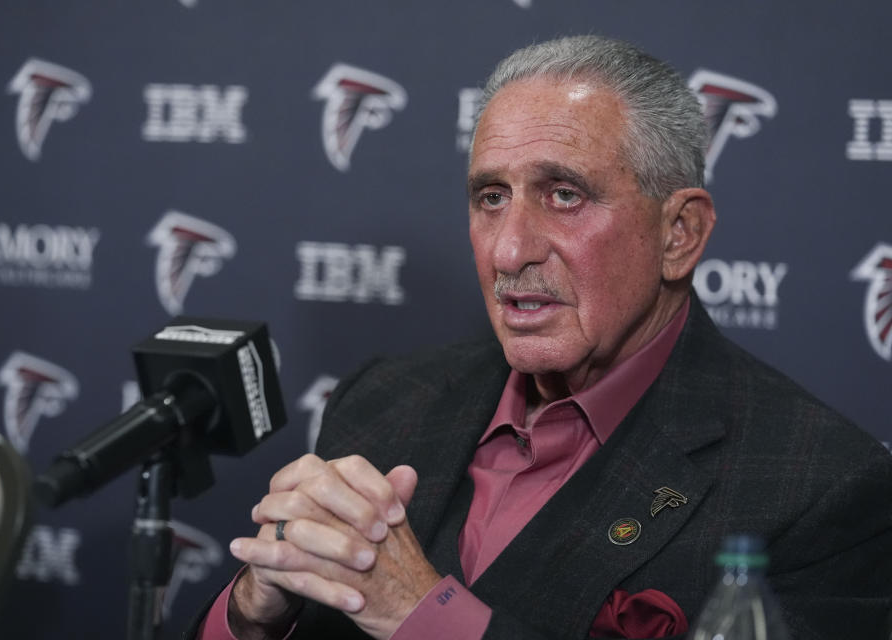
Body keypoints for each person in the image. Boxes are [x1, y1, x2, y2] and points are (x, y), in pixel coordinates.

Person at [192, 35, 892, 639]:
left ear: (678, 234)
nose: (509, 250)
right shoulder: (381, 402)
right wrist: (252, 617)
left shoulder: (820, 487)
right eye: (491, 197)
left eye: (565, 194)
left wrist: (421, 617)